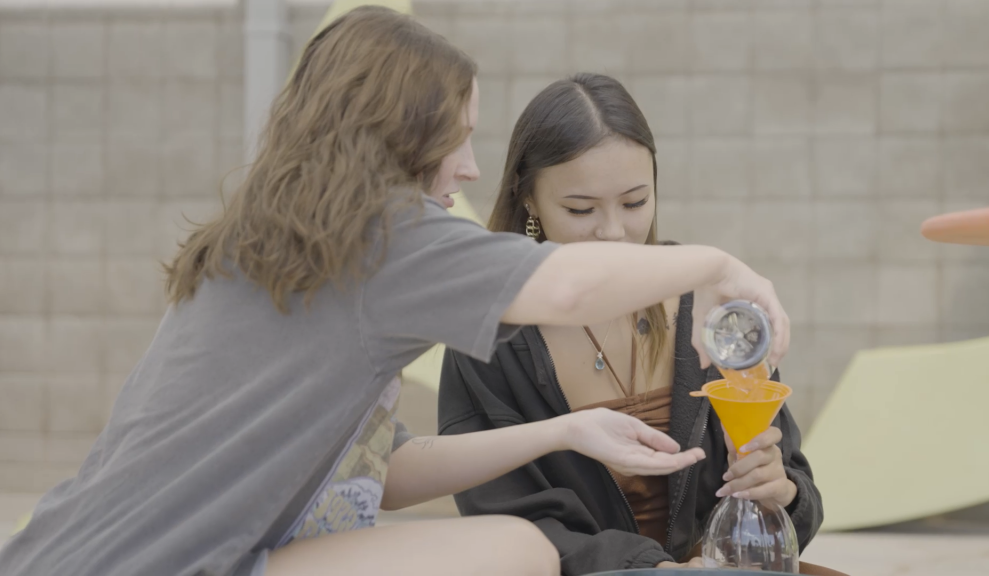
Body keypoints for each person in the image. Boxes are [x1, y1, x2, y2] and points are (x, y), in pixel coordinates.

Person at [0, 9, 790, 576]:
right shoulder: (387, 237)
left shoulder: (264, 241)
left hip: (60, 548)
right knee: (518, 548)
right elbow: (572, 285)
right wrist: (719, 265)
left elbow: (382, 474)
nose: (472, 169)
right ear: (405, 133)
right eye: (461, 135)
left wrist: (567, 432)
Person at [438, 73, 822, 575]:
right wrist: (652, 569)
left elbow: (800, 501)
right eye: (581, 209)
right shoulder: (491, 334)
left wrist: (778, 491)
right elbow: (505, 521)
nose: (614, 232)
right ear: (528, 200)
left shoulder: (711, 308)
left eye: (635, 202)